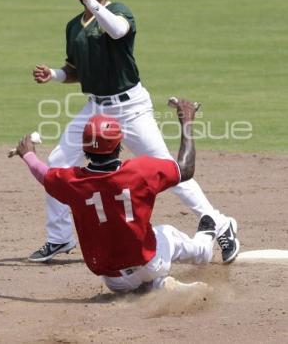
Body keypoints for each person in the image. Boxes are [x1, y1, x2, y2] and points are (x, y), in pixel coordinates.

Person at [31, 0, 239, 264]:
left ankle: (221, 224)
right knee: (58, 161)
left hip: (131, 109)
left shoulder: (119, 11)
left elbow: (117, 31)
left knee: (169, 169)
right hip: (95, 108)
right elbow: (76, 70)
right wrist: (54, 74)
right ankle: (60, 238)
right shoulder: (74, 26)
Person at [16, 99, 225, 293]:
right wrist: (187, 121)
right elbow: (186, 169)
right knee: (168, 233)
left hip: (114, 281)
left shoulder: (71, 182)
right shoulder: (140, 170)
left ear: (85, 146)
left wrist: (28, 154)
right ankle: (204, 244)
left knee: (131, 275)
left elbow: (45, 175)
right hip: (152, 261)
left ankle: (157, 286)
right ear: (118, 144)